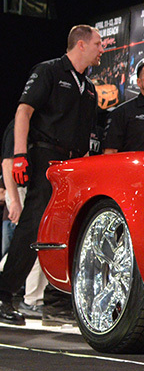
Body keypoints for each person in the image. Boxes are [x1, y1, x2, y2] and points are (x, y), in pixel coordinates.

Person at [0, 24, 102, 326]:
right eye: (98, 43)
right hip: (44, 156)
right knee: (32, 228)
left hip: (71, 166)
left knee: (64, 232)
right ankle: (4, 294)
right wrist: (19, 154)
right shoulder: (49, 71)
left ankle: (56, 301)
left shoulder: (90, 88)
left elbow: (85, 137)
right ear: (81, 44)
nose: (102, 48)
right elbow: (23, 112)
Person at [1, 120, 45, 319]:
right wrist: (15, 201)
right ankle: (32, 300)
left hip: (34, 190)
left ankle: (33, 299)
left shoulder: (43, 124)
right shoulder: (20, 124)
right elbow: (7, 162)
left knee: (26, 246)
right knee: (30, 244)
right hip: (20, 190)